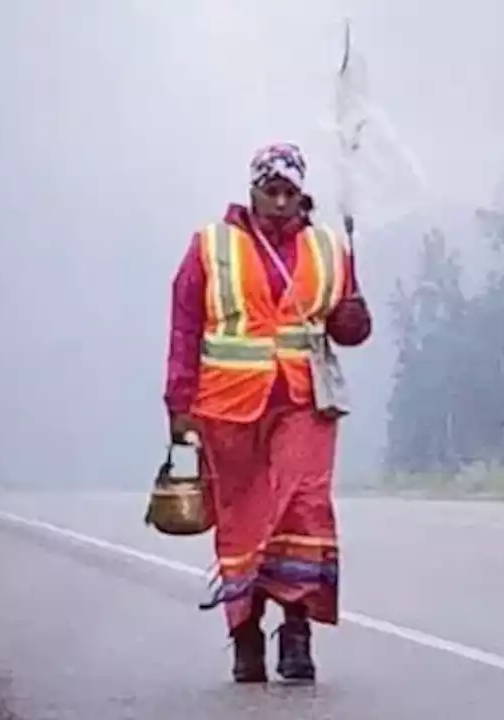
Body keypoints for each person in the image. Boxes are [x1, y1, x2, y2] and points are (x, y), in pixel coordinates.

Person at [163, 142, 372, 683]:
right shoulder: (211, 246)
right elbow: (185, 327)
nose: (280, 202)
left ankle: (297, 632)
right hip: (228, 408)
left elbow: (347, 328)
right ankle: (245, 635)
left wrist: (354, 318)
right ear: (252, 190)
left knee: (304, 510)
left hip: (305, 404)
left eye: (289, 193)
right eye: (270, 191)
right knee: (243, 520)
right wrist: (178, 405)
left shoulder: (329, 247)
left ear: (302, 194)